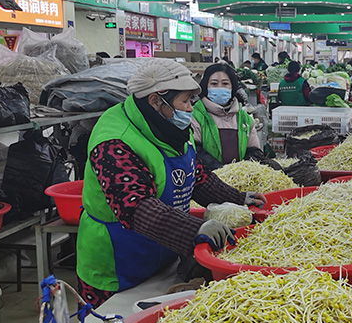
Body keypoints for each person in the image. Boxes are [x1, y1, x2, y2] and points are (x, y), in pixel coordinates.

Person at [76, 59, 265, 307]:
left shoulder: (171, 126)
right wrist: (195, 229)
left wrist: (239, 198)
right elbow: (136, 206)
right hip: (116, 264)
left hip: (161, 253)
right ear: (156, 101)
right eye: (184, 101)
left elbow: (195, 175)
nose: (189, 108)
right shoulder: (114, 141)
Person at [191, 63, 265, 171]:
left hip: (239, 181)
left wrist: (241, 172)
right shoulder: (195, 115)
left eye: (225, 83)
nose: (220, 87)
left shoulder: (244, 118)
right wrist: (221, 172)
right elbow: (195, 151)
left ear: (232, 87)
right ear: (205, 86)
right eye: (214, 83)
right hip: (207, 182)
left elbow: (254, 151)